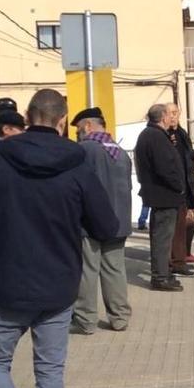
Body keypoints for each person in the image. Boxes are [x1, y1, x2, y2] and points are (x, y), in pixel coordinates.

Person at [0, 89, 118, 388]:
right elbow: (105, 226)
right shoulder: (78, 160)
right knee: (50, 372)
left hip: (7, 281)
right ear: (63, 120)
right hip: (59, 283)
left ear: (27, 115)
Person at [70, 108, 133, 335]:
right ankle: (119, 317)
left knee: (88, 269)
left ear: (87, 126)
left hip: (90, 221)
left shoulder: (85, 149)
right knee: (115, 270)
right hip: (120, 221)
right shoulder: (121, 152)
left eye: (78, 130)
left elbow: (76, 186)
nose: (78, 134)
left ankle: (86, 320)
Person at [134, 103, 186, 292]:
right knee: (162, 238)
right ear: (162, 117)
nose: (171, 117)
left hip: (161, 195)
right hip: (164, 196)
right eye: (168, 114)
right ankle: (160, 277)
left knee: (163, 237)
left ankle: (164, 272)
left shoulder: (151, 135)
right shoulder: (155, 136)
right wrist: (179, 187)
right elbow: (165, 168)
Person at [167, 106, 194, 277]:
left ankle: (180, 259)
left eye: (175, 113)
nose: (172, 117)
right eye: (170, 113)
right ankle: (173, 262)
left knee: (184, 225)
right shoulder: (164, 135)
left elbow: (188, 158)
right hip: (171, 189)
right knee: (172, 228)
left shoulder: (182, 134)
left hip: (185, 187)